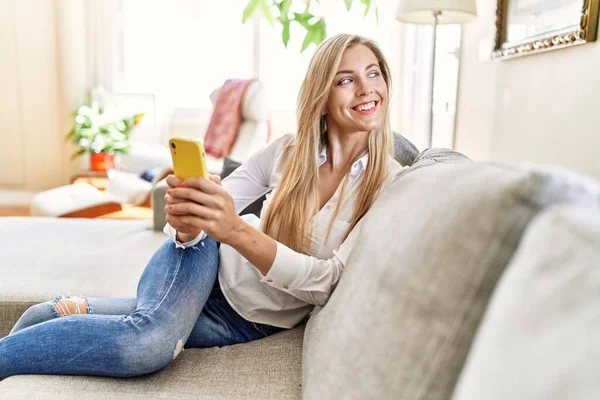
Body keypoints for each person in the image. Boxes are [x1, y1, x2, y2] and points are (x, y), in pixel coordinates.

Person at [0, 33, 404, 378]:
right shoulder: (286, 152)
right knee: (148, 343)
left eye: (374, 74)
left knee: (63, 318)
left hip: (243, 322)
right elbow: (211, 213)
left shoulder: (388, 183)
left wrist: (237, 231)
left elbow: (327, 283)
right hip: (203, 261)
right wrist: (188, 221)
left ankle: (50, 317)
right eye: (346, 79)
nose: (367, 88)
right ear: (322, 96)